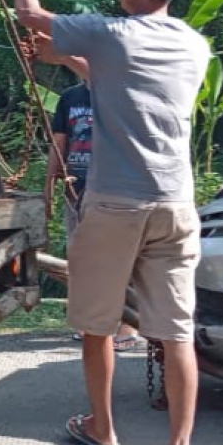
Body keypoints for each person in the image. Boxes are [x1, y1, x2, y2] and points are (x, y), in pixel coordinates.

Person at [6, 0, 211, 445]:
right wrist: (68, 59)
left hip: (114, 204)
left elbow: (31, 16)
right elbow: (124, 82)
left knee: (98, 327)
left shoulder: (112, 31)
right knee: (176, 335)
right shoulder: (195, 46)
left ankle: (102, 427)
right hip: (174, 205)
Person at [48, 75, 143, 353]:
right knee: (81, 258)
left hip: (116, 190)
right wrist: (49, 188)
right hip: (76, 191)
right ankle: (92, 322)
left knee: (122, 258)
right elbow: (59, 143)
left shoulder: (123, 92)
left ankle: (127, 324)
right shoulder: (70, 97)